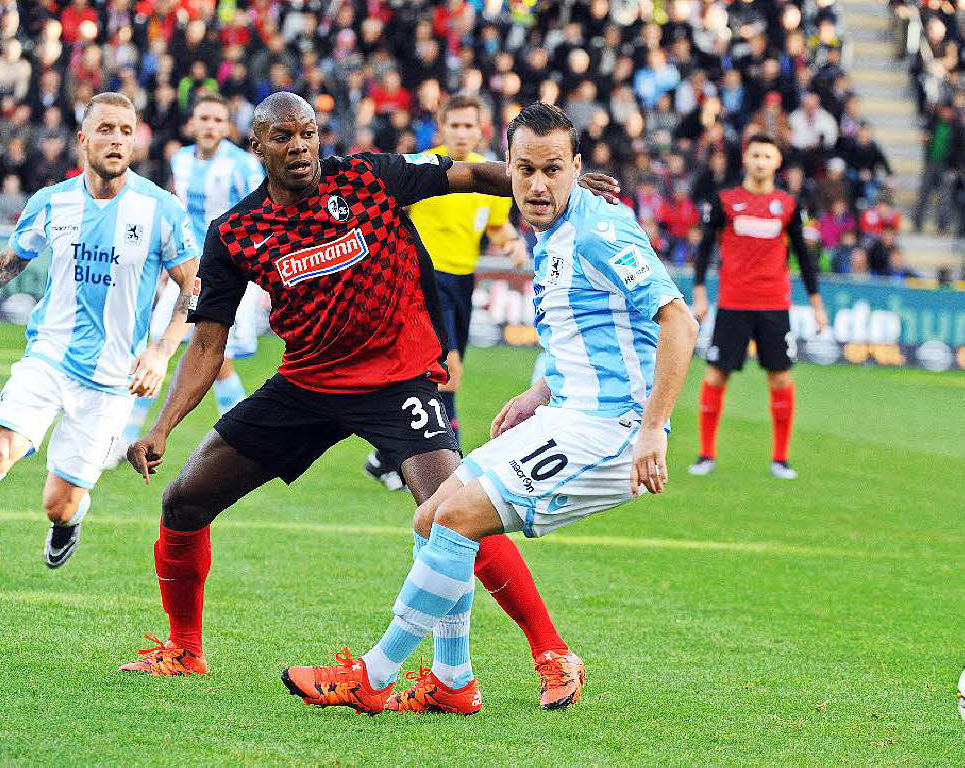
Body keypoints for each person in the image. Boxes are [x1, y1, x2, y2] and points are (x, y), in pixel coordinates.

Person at [118, 93, 620, 712]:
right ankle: (184, 647)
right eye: (283, 138)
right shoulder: (235, 232)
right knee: (185, 499)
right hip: (307, 385)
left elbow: (464, 174)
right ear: (258, 149)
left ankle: (551, 652)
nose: (300, 148)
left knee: (456, 509)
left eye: (307, 134)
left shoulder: (365, 177)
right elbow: (206, 344)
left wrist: (552, 191)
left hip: (399, 378)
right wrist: (162, 427)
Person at [280, 102, 699, 715]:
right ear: (509, 166)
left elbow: (677, 322)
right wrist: (539, 392)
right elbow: (591, 332)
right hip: (569, 413)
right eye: (524, 168)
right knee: (431, 516)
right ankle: (454, 681)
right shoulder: (551, 231)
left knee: (454, 521)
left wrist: (653, 429)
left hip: (610, 431)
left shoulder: (598, 231)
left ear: (576, 168)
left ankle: (371, 676)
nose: (536, 184)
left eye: (553, 170)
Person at [0, 92, 198, 567]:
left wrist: (162, 351)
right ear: (84, 140)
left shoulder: (160, 209)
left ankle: (70, 517)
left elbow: (194, 285)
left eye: (126, 131)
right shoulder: (52, 202)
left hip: (111, 379)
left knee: (57, 504)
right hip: (49, 355)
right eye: (106, 129)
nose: (117, 140)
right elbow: (7, 265)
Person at [364, 93, 529, 491]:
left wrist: (512, 244)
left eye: (468, 126)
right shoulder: (423, 167)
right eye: (453, 125)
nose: (460, 132)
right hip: (422, 279)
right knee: (447, 370)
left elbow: (495, 224)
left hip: (461, 282)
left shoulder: (489, 174)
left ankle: (385, 456)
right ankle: (448, 459)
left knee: (439, 373)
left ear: (480, 130)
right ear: (441, 128)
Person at [106, 93, 265, 467]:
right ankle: (124, 440)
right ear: (192, 124)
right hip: (187, 274)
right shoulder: (180, 159)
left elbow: (262, 214)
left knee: (218, 357)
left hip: (230, 276)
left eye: (217, 120)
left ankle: (247, 440)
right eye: (203, 119)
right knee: (158, 350)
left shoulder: (242, 166)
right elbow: (176, 213)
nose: (209, 126)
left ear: (227, 127)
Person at [689, 134, 828, 480]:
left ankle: (780, 459)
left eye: (768, 155)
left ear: (777, 161)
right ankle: (706, 454)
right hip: (733, 302)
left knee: (780, 378)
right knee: (715, 374)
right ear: (746, 160)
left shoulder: (789, 205)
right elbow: (704, 249)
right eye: (756, 155)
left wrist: (816, 304)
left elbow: (804, 258)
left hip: (773, 304)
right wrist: (700, 293)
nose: (761, 161)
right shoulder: (725, 201)